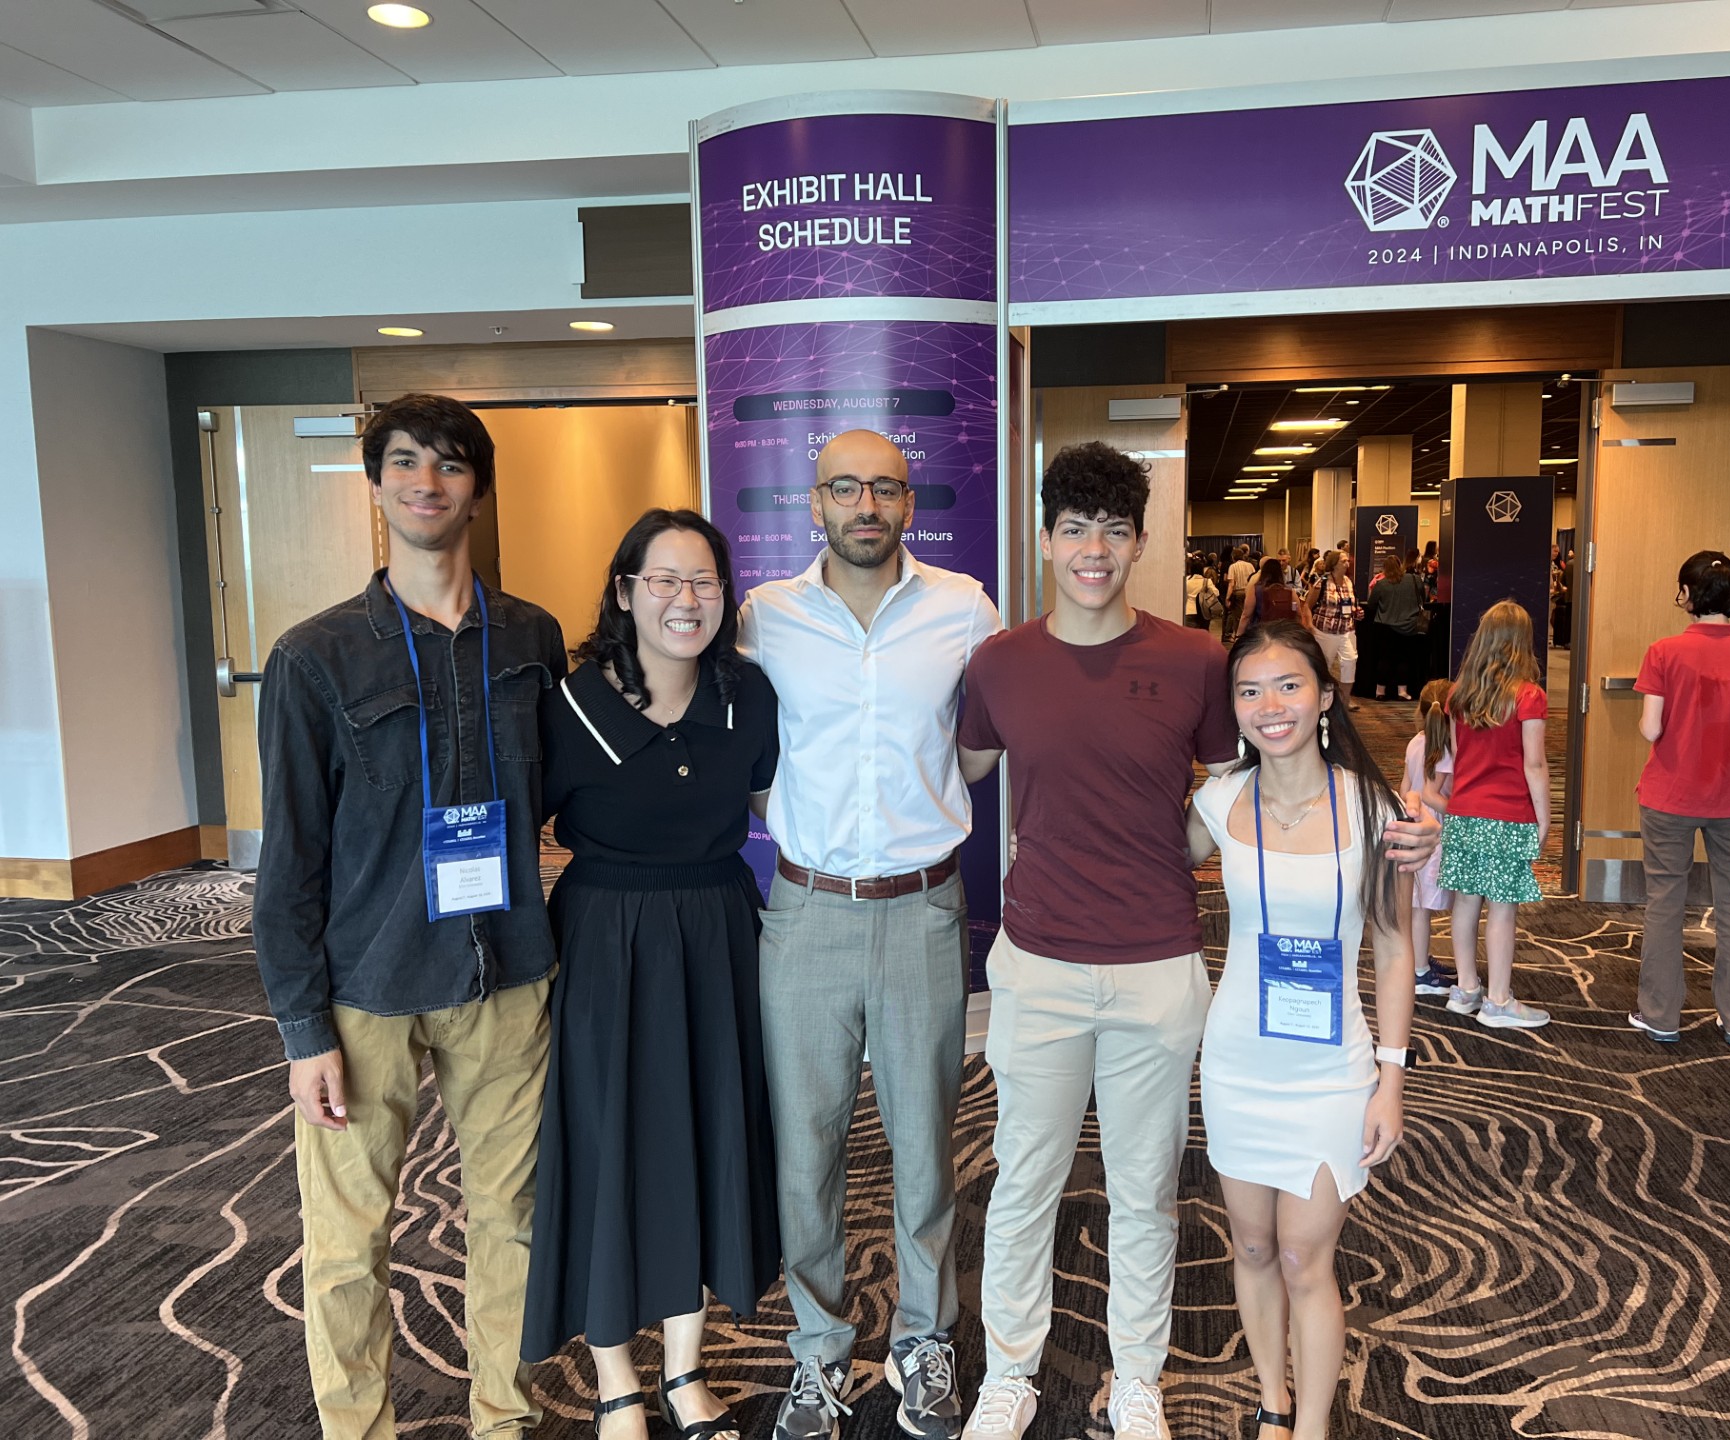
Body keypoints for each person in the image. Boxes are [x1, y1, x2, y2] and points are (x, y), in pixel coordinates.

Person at [953, 444, 1438, 1440]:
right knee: (1024, 1177)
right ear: (1046, 540)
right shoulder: (999, 663)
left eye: (1113, 531)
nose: (1093, 549)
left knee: (1145, 1190)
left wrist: (1409, 827)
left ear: (1138, 543)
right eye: (1074, 529)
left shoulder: (1192, 663)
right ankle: (1011, 1372)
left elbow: (1254, 788)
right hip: (1038, 961)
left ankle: (1137, 1377)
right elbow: (954, 771)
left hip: (1162, 968)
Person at [253, 393, 566, 1439]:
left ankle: (504, 1418)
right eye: (403, 463)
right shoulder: (315, 656)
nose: (426, 483)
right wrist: (303, 1032)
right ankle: (358, 1428)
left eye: (448, 465)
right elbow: (289, 860)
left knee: (511, 1223)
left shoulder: (531, 637)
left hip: (507, 973)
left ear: (479, 487)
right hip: (367, 989)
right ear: (377, 484)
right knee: (348, 1239)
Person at [739, 429, 1001, 1440]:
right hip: (804, 913)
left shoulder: (963, 607)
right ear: (815, 505)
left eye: (884, 487)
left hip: (925, 908)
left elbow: (979, 749)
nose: (865, 505)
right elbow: (738, 740)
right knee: (804, 1148)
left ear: (908, 502)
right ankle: (819, 1351)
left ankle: (924, 1343)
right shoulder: (766, 616)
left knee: (924, 1145)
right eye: (844, 487)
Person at [520, 510, 781, 1439]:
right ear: (624, 592)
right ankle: (615, 1378)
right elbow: (519, 834)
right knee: (606, 1145)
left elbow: (767, 800)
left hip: (716, 930)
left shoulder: (747, 697)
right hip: (604, 937)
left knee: (704, 1139)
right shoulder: (567, 703)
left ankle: (683, 1369)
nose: (686, 600)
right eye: (663, 580)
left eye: (704, 581)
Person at [1187, 620, 1415, 1440]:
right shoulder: (1215, 804)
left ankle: (1312, 1426)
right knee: (1249, 1250)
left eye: (1288, 685)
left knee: (1300, 1256)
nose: (1269, 706)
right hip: (1238, 1063)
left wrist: (1392, 1077)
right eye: (1249, 691)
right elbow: (1131, 856)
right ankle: (1272, 1404)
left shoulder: (1373, 807)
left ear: (1323, 695)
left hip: (1331, 1070)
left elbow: (1394, 951)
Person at [1629, 551, 1730, 1049]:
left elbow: (1651, 727)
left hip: (1669, 796)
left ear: (1687, 594)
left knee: (1665, 901)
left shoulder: (1664, 651)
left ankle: (1660, 1015)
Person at [1440, 601, 1552, 1028]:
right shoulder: (1528, 696)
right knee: (1502, 909)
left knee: (1465, 901)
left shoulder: (1458, 694)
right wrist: (1545, 816)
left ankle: (1466, 989)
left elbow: (1457, 757)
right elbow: (1534, 764)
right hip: (1507, 815)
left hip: (1464, 811)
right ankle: (1499, 1000)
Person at [1403, 679, 1459, 999]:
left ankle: (1419, 960)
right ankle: (1420, 973)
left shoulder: (1415, 742)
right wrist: (1461, 812)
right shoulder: (1445, 751)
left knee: (1416, 901)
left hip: (1411, 822)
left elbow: (1406, 789)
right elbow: (1430, 793)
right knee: (1422, 906)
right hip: (1432, 829)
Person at [1303, 550, 1359, 702]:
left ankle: (1345, 702)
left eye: (1348, 561)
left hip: (1346, 630)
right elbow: (1308, 606)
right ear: (1334, 564)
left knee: (1350, 662)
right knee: (1323, 665)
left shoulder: (1348, 581)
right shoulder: (1322, 582)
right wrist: (1308, 625)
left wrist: (1357, 612)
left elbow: (1350, 605)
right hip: (1325, 631)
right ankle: (1320, 700)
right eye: (1343, 561)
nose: (1347, 564)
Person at [1367, 553, 1424, 701]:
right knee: (1404, 660)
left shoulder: (1381, 584)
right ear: (1400, 565)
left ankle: (1380, 692)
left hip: (1385, 627)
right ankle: (1402, 692)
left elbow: (1371, 604)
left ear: (1384, 569)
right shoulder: (1414, 580)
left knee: (1384, 659)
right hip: (1409, 626)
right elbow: (1422, 597)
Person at [1234, 556, 1296, 639]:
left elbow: (1246, 615)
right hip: (1284, 633)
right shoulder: (1290, 591)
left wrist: (1238, 635)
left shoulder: (1255, 589)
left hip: (1260, 633)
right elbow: (1297, 613)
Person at [1224, 545, 1258, 646]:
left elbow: (1231, 584)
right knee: (1249, 615)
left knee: (1238, 617)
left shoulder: (1233, 567)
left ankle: (1238, 638)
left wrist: (1227, 598)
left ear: (1233, 557)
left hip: (1238, 593)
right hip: (1250, 592)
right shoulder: (1250, 566)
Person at [1184, 556, 1219, 631]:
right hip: (1204, 612)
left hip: (1189, 610)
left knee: (1189, 635)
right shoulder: (1207, 581)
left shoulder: (1186, 580)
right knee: (1203, 635)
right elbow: (1216, 593)